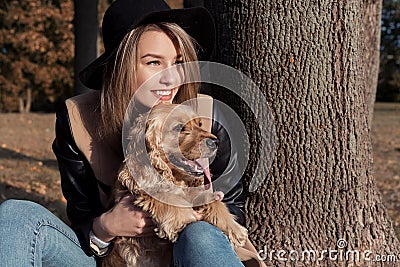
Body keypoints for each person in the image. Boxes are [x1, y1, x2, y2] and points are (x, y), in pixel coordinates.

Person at [0, 0, 251, 266]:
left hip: (188, 254)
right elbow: (81, 220)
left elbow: (233, 213)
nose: (171, 79)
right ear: (120, 65)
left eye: (177, 63)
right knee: (17, 215)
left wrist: (190, 208)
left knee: (201, 233)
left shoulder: (207, 118)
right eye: (154, 62)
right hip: (114, 258)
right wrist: (105, 227)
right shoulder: (78, 120)